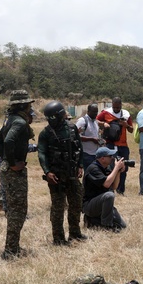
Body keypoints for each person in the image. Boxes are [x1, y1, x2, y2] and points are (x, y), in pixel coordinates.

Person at [38, 101, 86, 246]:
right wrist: (47, 172)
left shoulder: (72, 129)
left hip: (72, 173)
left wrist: (80, 165)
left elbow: (79, 148)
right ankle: (58, 238)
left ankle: (75, 233)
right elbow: (42, 154)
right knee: (58, 208)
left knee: (76, 204)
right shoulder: (46, 133)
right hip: (57, 176)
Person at [0, 90, 36, 259]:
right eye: (28, 104)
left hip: (8, 169)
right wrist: (12, 163)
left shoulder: (10, 119)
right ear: (22, 105)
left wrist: (5, 158)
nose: (30, 107)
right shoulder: (19, 122)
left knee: (13, 209)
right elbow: (8, 141)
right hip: (13, 172)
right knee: (18, 211)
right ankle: (11, 250)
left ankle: (12, 247)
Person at [82, 146, 128, 232]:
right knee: (109, 195)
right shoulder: (93, 169)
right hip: (89, 205)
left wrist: (118, 172)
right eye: (110, 156)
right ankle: (106, 226)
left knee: (122, 226)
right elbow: (106, 184)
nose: (112, 158)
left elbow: (114, 186)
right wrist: (116, 168)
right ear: (102, 158)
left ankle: (93, 221)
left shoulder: (106, 168)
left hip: (101, 203)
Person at [97, 98, 133, 194]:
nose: (116, 109)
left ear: (121, 105)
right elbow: (95, 120)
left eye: (118, 107)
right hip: (111, 144)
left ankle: (121, 190)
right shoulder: (105, 112)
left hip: (123, 145)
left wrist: (126, 125)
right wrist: (103, 123)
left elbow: (131, 130)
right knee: (111, 167)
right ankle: (110, 188)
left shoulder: (126, 114)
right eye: (114, 107)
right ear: (112, 105)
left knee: (124, 167)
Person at [75, 103, 102, 170]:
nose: (95, 114)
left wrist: (100, 141)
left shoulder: (95, 122)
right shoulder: (82, 121)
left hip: (95, 154)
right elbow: (76, 136)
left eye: (96, 112)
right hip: (86, 153)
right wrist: (92, 139)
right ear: (88, 111)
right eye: (93, 112)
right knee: (89, 173)